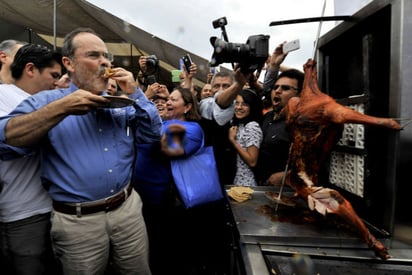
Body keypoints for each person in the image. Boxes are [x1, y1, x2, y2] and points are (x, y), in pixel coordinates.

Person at [0, 27, 162, 275]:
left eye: (106, 57)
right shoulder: (46, 101)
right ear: (69, 63)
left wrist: (135, 93)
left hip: (127, 210)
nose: (105, 62)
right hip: (77, 222)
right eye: (94, 55)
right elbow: (6, 140)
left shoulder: (119, 102)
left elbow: (151, 134)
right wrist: (61, 108)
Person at [0, 43, 63, 275]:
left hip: (56, 208)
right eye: (53, 75)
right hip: (23, 211)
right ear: (30, 69)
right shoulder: (3, 96)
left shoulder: (49, 98)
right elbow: (9, 143)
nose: (57, 82)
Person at [199, 67, 250, 186]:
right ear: (211, 89)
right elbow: (221, 101)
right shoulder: (206, 104)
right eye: (216, 86)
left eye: (226, 86)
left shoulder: (243, 110)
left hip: (236, 179)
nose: (220, 90)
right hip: (209, 177)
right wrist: (239, 83)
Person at [255, 68, 304, 186]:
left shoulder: (302, 124)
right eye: (275, 87)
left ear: (300, 94)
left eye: (285, 88)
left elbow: (315, 165)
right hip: (260, 189)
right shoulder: (267, 117)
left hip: (287, 194)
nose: (277, 91)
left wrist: (286, 176)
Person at [229, 89, 263, 186]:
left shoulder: (252, 127)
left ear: (252, 107)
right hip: (236, 181)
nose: (239, 107)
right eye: (237, 103)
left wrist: (233, 141)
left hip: (246, 183)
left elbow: (252, 161)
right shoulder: (239, 124)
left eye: (244, 104)